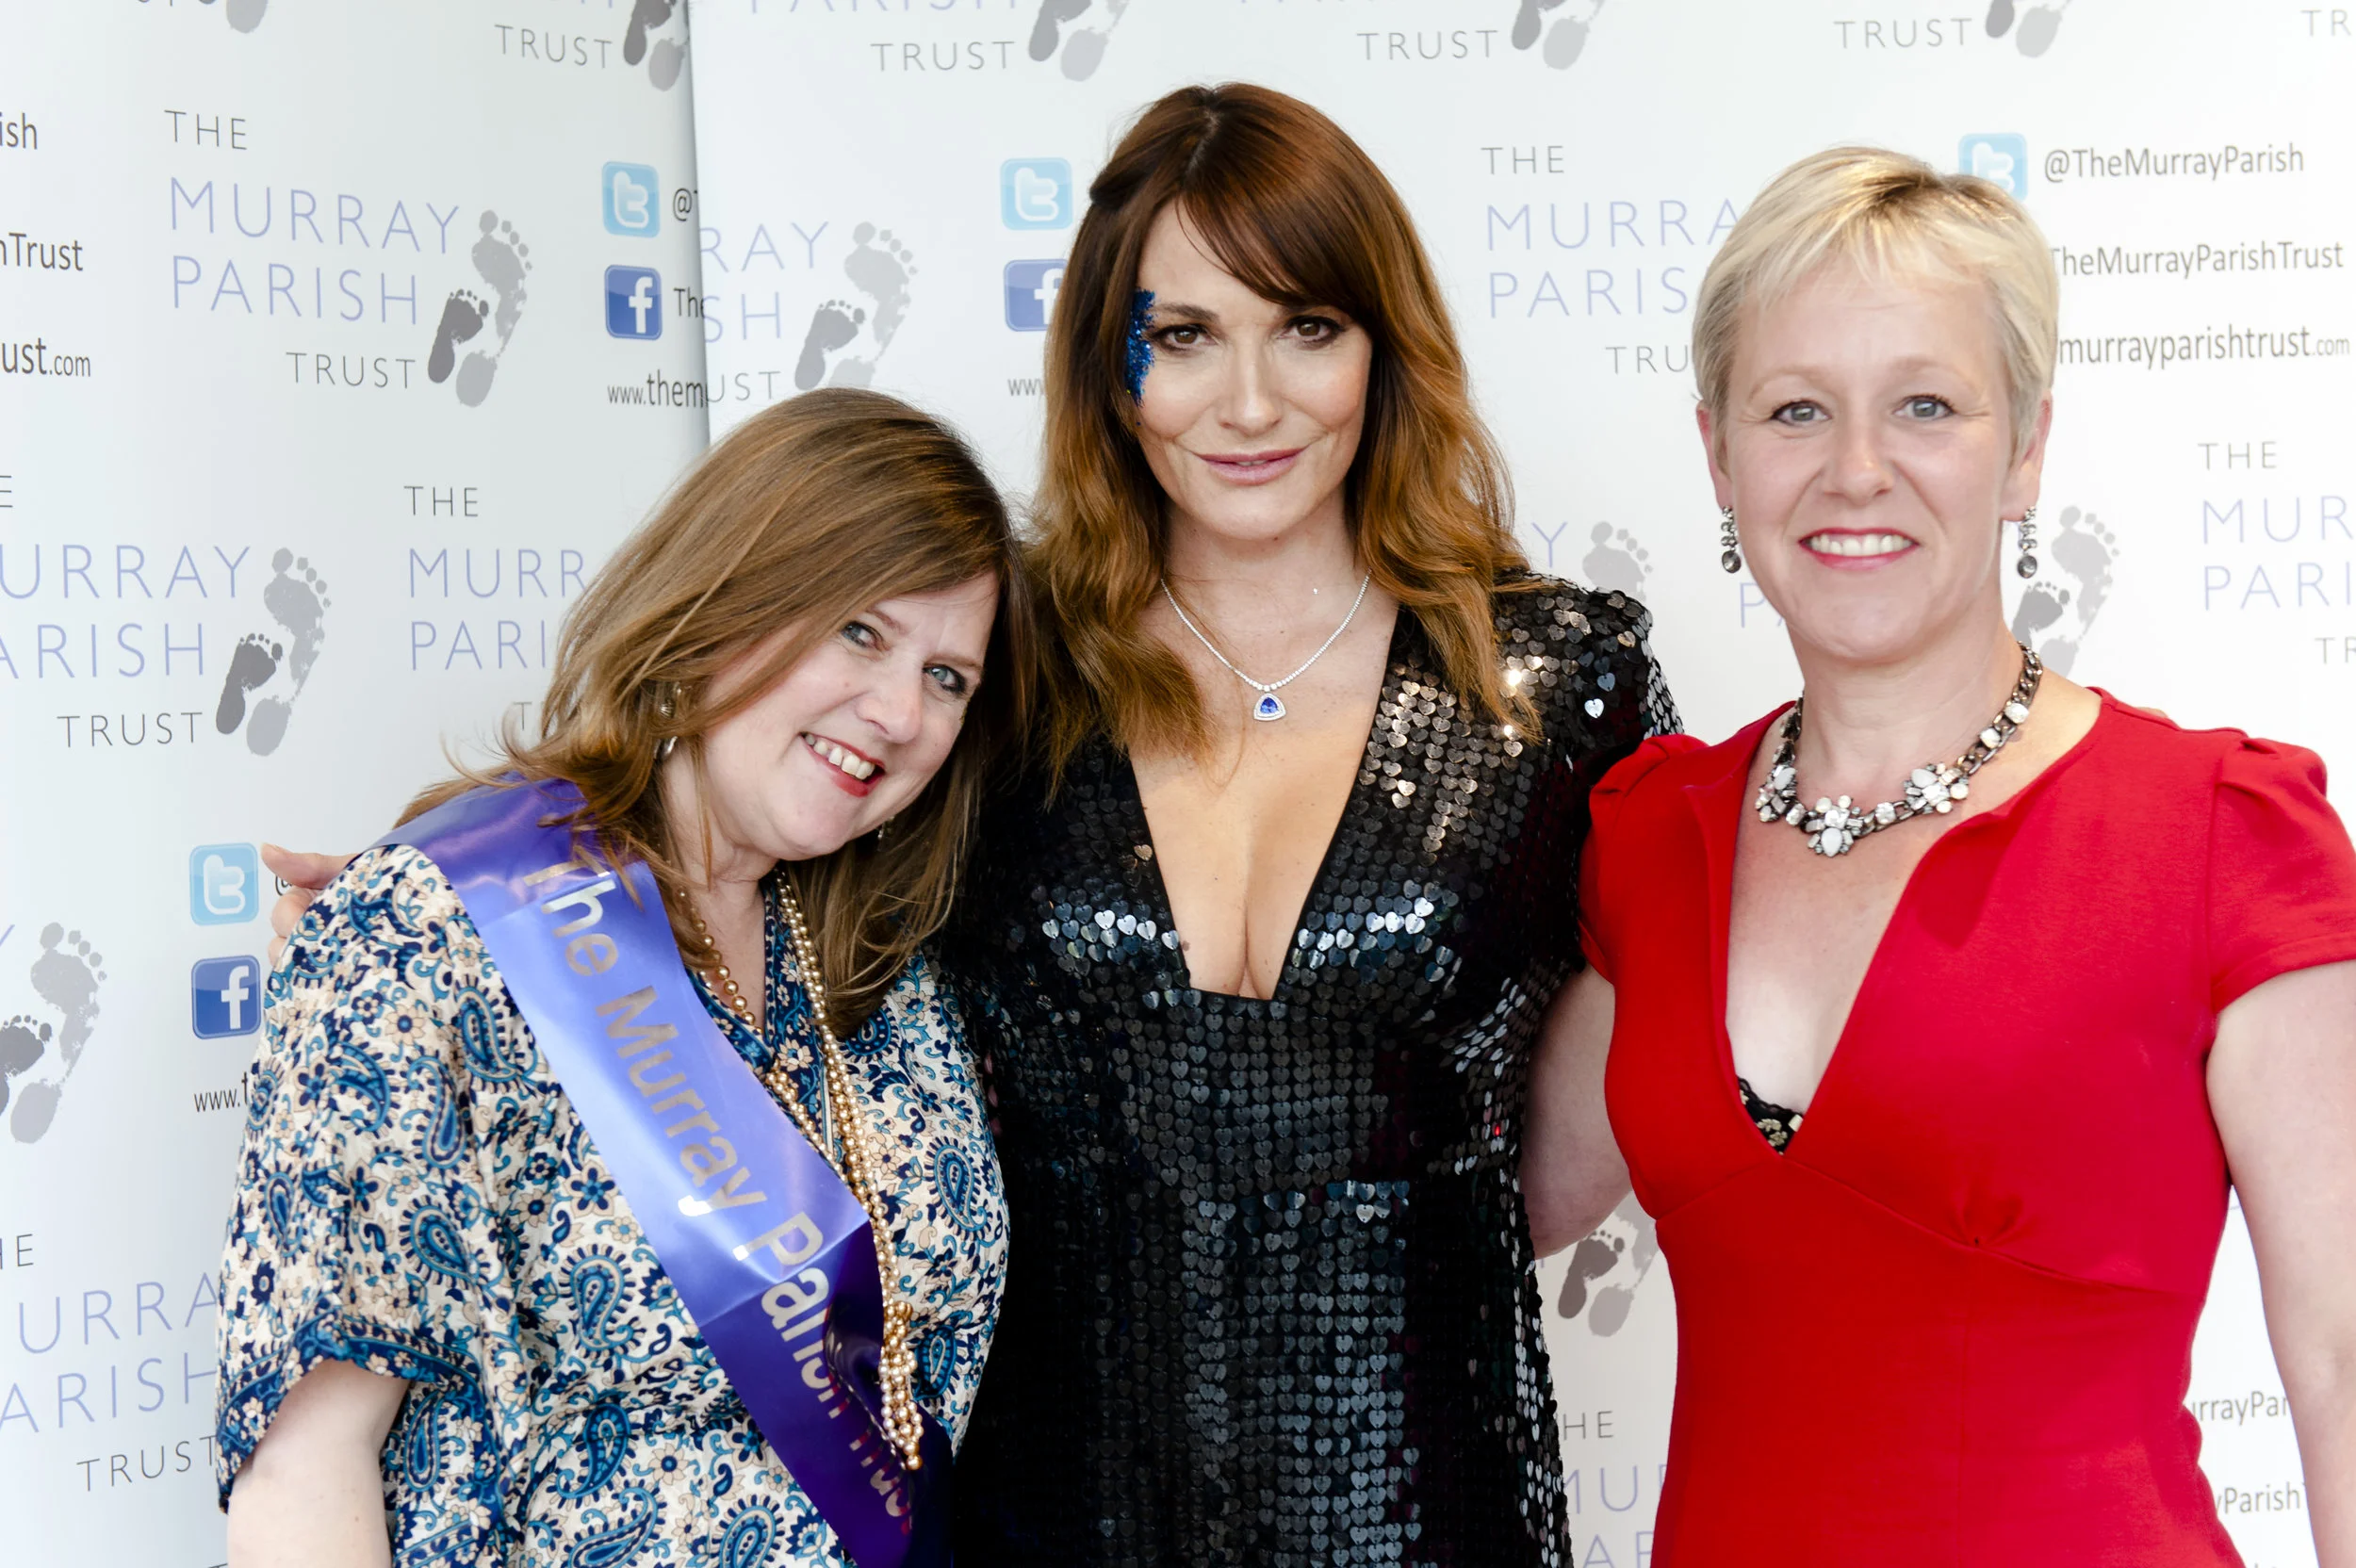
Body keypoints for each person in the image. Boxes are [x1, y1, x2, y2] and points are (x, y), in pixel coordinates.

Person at [1522, 147, 2356, 1565]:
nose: (1858, 470)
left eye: (1926, 405)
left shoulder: (2216, 829)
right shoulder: (1648, 837)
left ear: (2026, 447)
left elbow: (2342, 1356)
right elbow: (1479, 1205)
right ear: (1719, 453)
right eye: (1796, 410)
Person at [940, 83, 1676, 1564]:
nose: (1254, 404)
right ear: (1108, 364)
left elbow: (1596, 1122)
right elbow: (738, 835)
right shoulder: (996, 674)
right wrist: (473, 882)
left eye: (1309, 329)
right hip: (1052, 1511)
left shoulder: (1558, 689)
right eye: (1187, 335)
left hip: (1428, 1504)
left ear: (1383, 348)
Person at [216, 388, 1033, 1567]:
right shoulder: (438, 929)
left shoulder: (892, 974)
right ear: (725, 599)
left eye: (949, 676)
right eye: (859, 630)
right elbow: (303, 1474)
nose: (900, 711)